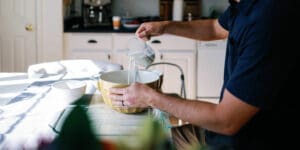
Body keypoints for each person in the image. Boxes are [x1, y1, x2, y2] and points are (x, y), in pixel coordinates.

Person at [109, 0, 300, 149]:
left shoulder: (269, 20)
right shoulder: (242, 5)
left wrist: (151, 98)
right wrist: (165, 26)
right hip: (222, 135)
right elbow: (216, 28)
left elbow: (226, 121)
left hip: (246, 142)